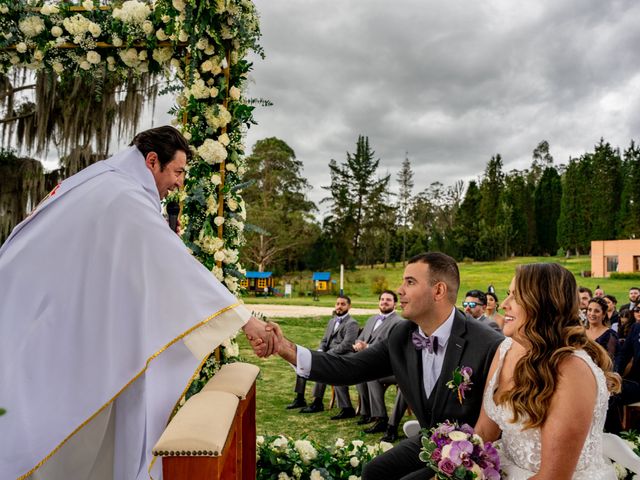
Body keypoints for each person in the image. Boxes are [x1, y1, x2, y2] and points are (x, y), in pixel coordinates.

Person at [0, 126, 276, 480]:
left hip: (35, 311)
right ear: (151, 161)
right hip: (49, 327)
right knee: (42, 426)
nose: (179, 184)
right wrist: (247, 321)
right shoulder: (124, 195)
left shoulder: (100, 178)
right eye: (176, 172)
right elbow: (175, 264)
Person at [259, 252, 503, 480]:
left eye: (409, 282)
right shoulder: (402, 335)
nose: (400, 290)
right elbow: (348, 368)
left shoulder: (487, 343)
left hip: (474, 452)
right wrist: (286, 349)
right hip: (431, 440)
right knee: (375, 472)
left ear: (438, 290)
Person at [474, 263, 620, 479]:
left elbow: (553, 476)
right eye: (507, 294)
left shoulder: (572, 371)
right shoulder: (505, 349)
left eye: (516, 297)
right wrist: (457, 464)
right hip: (503, 469)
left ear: (542, 305)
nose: (504, 304)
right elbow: (485, 432)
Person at [294, 295, 359, 419]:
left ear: (349, 306)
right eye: (337, 303)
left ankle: (317, 402)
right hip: (328, 354)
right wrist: (320, 350)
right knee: (302, 360)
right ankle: (299, 398)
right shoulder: (332, 321)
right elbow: (324, 340)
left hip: (343, 355)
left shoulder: (352, 323)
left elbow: (347, 344)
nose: (339, 306)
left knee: (321, 365)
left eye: (343, 304)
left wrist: (327, 354)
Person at [354, 290, 405, 434]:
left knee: (371, 376)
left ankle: (381, 419)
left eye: (388, 300)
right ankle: (369, 413)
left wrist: (368, 347)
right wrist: (357, 344)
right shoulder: (371, 319)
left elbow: (392, 347)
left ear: (395, 304)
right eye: (382, 299)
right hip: (368, 361)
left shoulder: (399, 322)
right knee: (359, 373)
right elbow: (361, 337)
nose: (384, 302)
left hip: (390, 368)